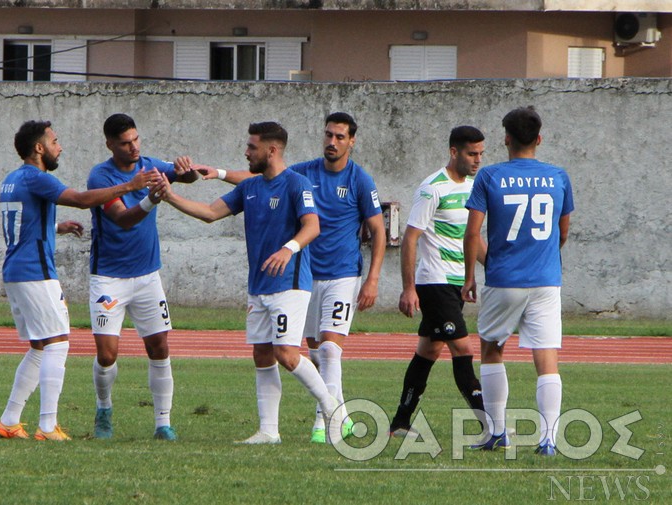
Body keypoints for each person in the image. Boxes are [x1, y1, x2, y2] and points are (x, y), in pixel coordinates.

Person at [199, 112, 386, 444]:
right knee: (312, 352)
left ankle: (326, 421)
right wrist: (220, 174)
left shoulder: (360, 179)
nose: (332, 142)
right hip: (307, 273)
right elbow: (261, 177)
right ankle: (322, 417)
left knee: (329, 350)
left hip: (343, 274)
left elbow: (378, 229)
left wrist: (372, 279)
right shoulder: (303, 173)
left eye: (340, 137)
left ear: (351, 141)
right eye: (328, 135)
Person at [159, 121, 341, 445]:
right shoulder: (250, 187)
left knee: (286, 353)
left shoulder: (297, 183)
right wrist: (169, 195)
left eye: (251, 147)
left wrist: (288, 249)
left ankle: (333, 409)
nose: (246, 152)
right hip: (259, 286)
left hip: (290, 284)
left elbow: (312, 226)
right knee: (262, 355)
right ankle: (269, 431)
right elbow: (209, 212)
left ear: (271, 150)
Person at [0, 120, 158, 441]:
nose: (60, 147)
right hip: (36, 272)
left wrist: (57, 227)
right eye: (54, 141)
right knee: (57, 343)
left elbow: (23, 222)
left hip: (15, 271)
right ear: (39, 148)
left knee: (40, 347)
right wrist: (129, 186)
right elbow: (82, 199)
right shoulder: (37, 177)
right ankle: (47, 426)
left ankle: (9, 420)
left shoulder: (11, 179)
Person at [462, 106, 574, 456]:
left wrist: (469, 276)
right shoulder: (558, 176)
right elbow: (562, 232)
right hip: (545, 280)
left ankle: (497, 431)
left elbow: (472, 232)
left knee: (492, 349)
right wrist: (542, 257)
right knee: (546, 356)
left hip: (503, 278)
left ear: (506, 139)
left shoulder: (490, 176)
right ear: (539, 139)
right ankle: (549, 439)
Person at [87, 113, 198, 441]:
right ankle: (104, 408)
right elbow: (123, 219)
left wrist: (186, 171)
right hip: (109, 278)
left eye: (136, 139)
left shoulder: (151, 165)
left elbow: (187, 177)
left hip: (148, 276)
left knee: (159, 346)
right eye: (125, 143)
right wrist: (151, 198)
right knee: (107, 354)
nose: (134, 147)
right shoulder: (101, 177)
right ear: (110, 144)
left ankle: (163, 423)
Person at [388, 126, 488, 437]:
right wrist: (409, 288)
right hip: (435, 282)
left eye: (481, 154)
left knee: (428, 352)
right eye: (472, 154)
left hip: (457, 284)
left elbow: (472, 238)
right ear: (453, 152)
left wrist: (494, 269)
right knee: (463, 348)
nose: (477, 160)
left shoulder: (473, 187)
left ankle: (400, 423)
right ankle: (490, 425)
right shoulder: (432, 188)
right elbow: (410, 238)